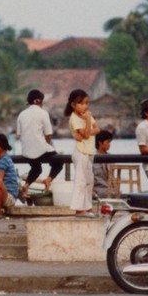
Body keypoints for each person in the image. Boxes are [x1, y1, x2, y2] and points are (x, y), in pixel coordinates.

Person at [16, 89, 62, 197]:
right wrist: (45, 145)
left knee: (36, 169)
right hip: (40, 150)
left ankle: (26, 186)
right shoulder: (43, 113)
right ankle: (49, 179)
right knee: (59, 162)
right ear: (39, 101)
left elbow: (19, 134)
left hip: (25, 151)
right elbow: (49, 135)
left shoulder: (21, 114)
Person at [65, 88, 100, 217]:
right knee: (80, 181)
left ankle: (88, 207)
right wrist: (88, 121)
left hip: (89, 152)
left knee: (89, 181)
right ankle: (79, 209)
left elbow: (97, 129)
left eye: (86, 103)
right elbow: (85, 134)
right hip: (81, 152)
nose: (85, 106)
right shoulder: (74, 118)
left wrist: (87, 129)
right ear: (73, 105)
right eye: (81, 103)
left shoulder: (87, 115)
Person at [92, 129, 113, 198]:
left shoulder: (111, 157)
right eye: (107, 142)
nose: (109, 144)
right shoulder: (92, 158)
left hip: (112, 190)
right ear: (100, 143)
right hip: (98, 190)